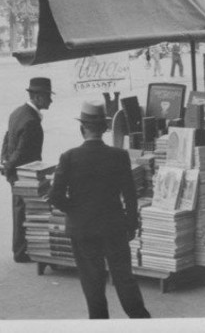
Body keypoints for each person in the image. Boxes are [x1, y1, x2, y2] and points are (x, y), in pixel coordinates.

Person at [49, 100, 150, 319]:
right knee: (124, 279)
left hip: (83, 229)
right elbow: (131, 196)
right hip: (114, 227)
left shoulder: (69, 157)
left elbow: (55, 196)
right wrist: (131, 225)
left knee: (92, 283)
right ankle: (142, 321)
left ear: (81, 128)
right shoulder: (119, 156)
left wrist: (76, 210)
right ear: (104, 129)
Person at [0, 77, 53, 263]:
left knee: (19, 209)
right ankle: (21, 251)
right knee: (25, 211)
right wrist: (8, 165)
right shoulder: (32, 121)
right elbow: (22, 152)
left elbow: (7, 139)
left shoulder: (16, 113)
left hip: (14, 171)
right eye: (48, 97)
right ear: (38, 98)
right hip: (25, 174)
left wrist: (5, 161)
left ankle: (20, 249)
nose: (50, 101)